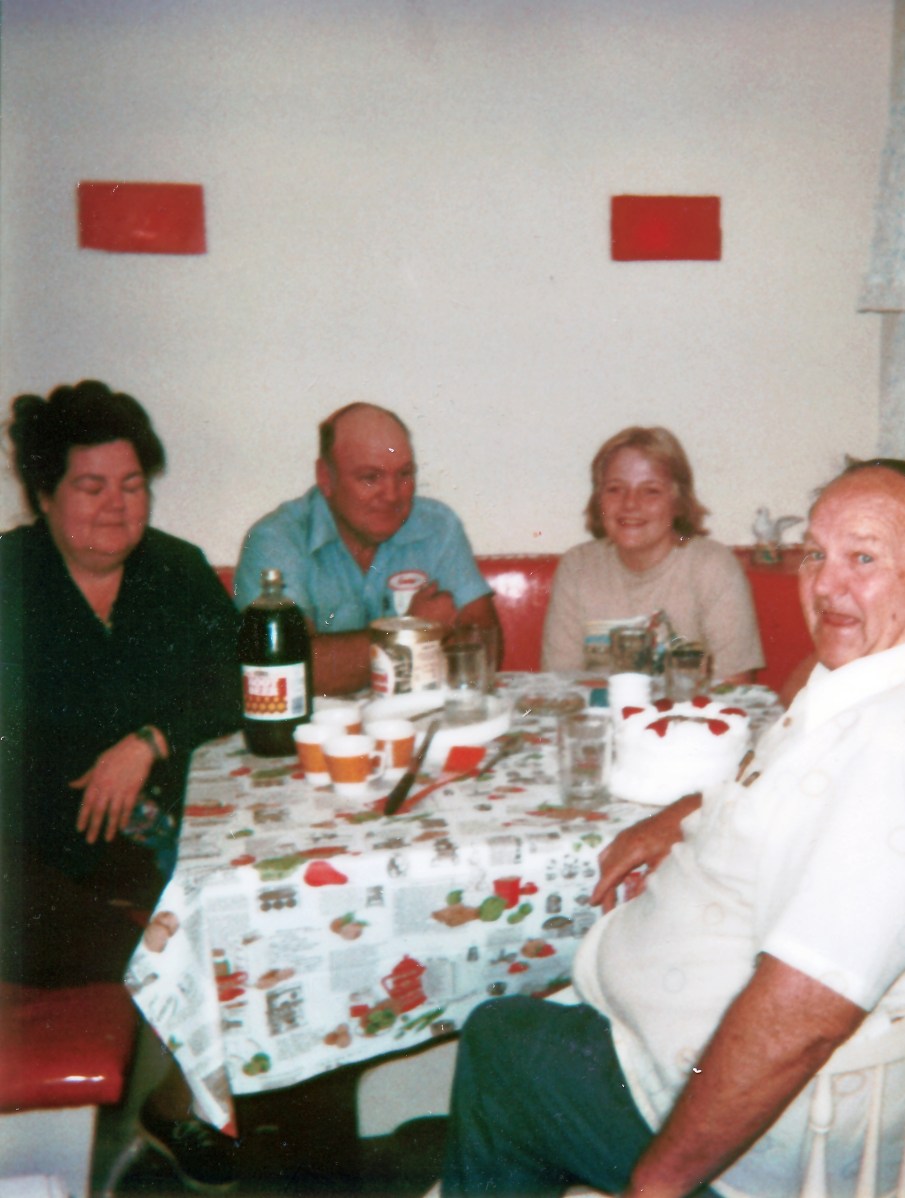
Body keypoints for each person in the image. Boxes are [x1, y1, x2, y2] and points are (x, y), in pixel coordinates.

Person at [439, 460, 905, 1198]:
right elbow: (791, 780)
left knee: (503, 1044)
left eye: (863, 558)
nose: (826, 585)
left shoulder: (904, 751)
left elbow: (803, 1018)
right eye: (815, 555)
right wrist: (686, 813)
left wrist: (658, 1181)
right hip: (836, 1102)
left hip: (795, 1147)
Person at [0, 380, 243, 1188]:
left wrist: (151, 739)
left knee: (243, 925)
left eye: (132, 486)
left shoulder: (172, 570)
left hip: (149, 847)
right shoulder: (8, 581)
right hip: (24, 864)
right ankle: (153, 1128)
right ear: (44, 494)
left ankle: (172, 1109)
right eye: (91, 487)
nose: (116, 507)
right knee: (163, 946)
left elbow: (241, 679)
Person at [235, 403, 500, 695]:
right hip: (318, 733)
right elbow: (294, 670)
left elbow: (481, 641)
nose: (392, 494)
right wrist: (413, 631)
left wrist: (349, 657)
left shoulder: (438, 526)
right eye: (370, 477)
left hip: (420, 723)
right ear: (326, 478)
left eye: (404, 474)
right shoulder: (276, 540)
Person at [541, 426, 763, 684]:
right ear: (598, 499)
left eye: (651, 491)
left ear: (678, 501)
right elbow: (559, 683)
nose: (631, 503)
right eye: (615, 489)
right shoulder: (576, 567)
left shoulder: (713, 566)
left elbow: (732, 685)